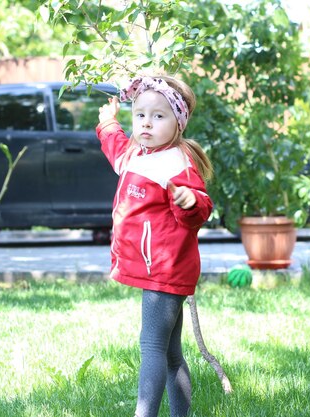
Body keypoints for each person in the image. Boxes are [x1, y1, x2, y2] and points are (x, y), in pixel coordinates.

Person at [96, 75, 213, 417]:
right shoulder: (138, 155)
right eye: (140, 115)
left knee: (151, 347)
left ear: (177, 122)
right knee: (170, 352)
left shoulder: (176, 162)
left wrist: (190, 201)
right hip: (156, 269)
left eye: (158, 116)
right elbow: (117, 149)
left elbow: (200, 210)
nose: (146, 122)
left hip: (165, 269)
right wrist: (108, 124)